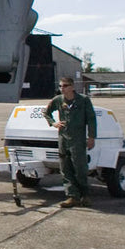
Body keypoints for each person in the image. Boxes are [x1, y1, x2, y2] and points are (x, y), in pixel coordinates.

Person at [45, 77, 97, 208]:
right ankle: (72, 196)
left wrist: (91, 137)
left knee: (80, 168)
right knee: (65, 169)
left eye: (65, 86)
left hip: (78, 139)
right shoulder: (58, 100)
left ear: (72, 87)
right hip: (63, 138)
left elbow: (91, 119)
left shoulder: (83, 100)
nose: (62, 88)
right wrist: (54, 123)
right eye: (61, 86)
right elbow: (46, 112)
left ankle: (84, 195)